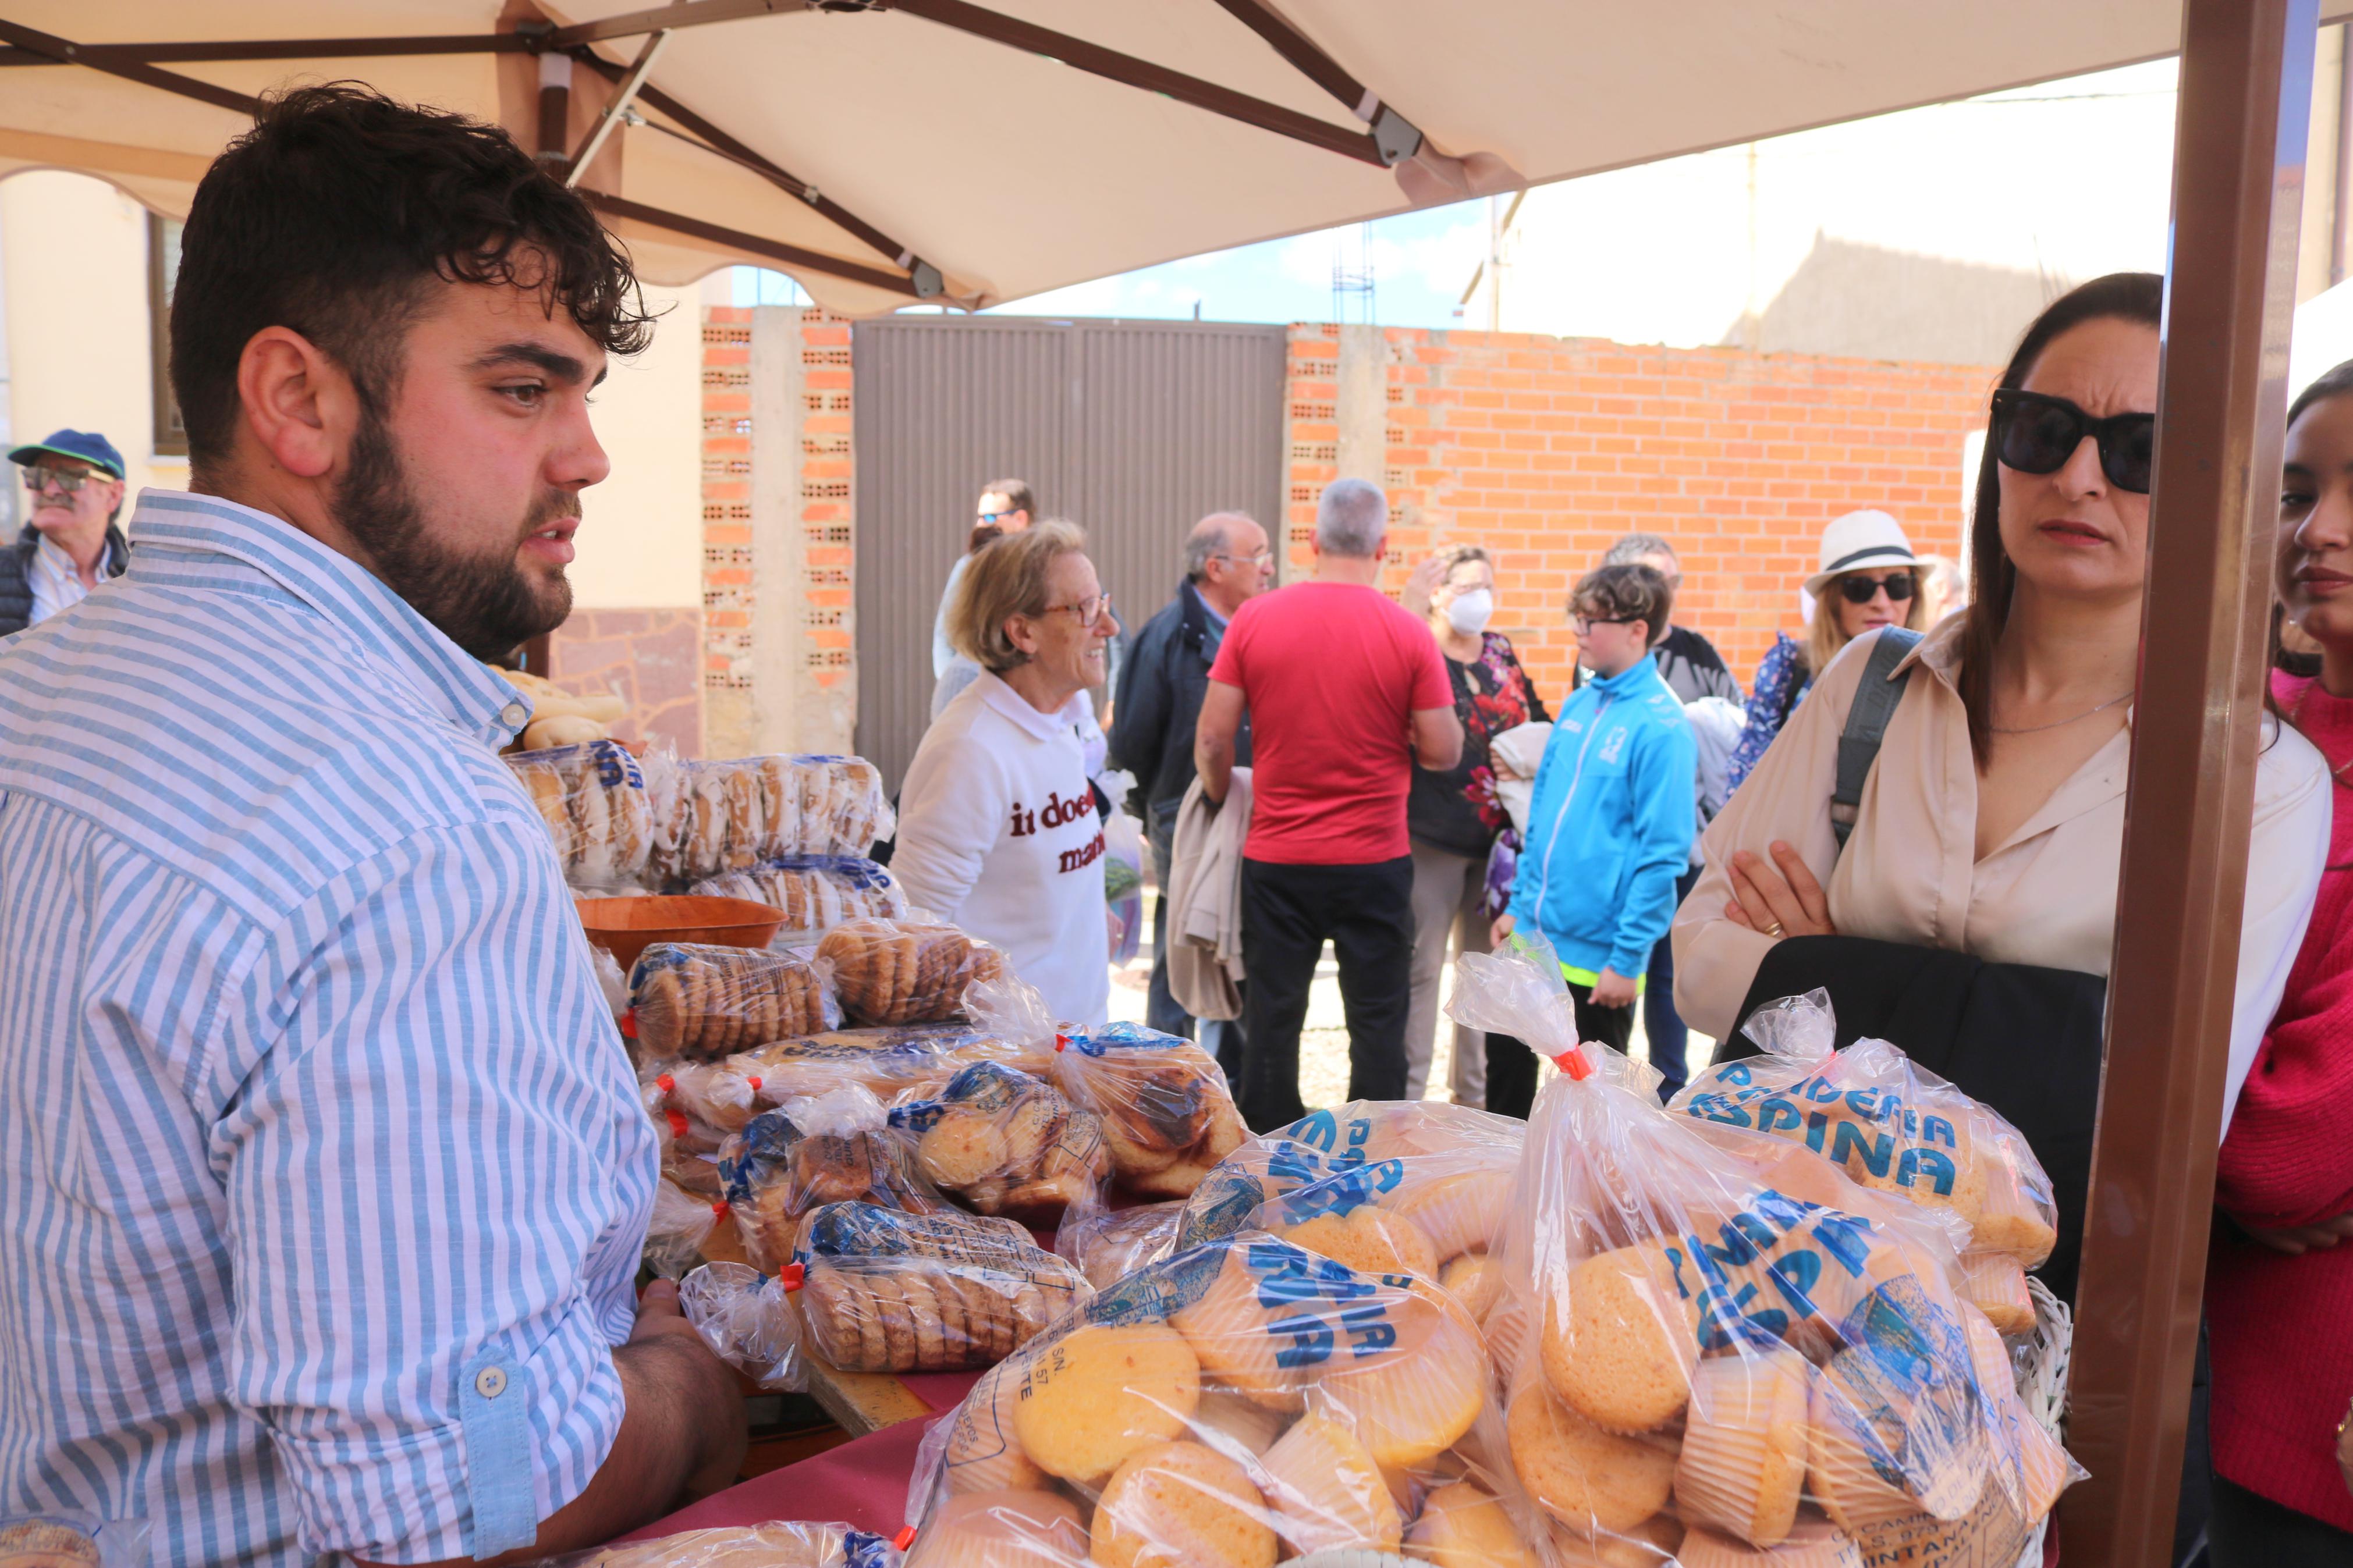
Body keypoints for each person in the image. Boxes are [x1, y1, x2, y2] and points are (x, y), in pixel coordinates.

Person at [0, 87, 746, 1563]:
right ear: (299, 401)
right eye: (524, 390)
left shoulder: (36, 687)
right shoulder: (402, 830)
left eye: (583, 393)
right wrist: (692, 1390)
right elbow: (453, 1510)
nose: (587, 455)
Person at [1671, 272, 2328, 1310]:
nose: (2076, 476)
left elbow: (2154, 1108)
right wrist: (2050, 1018)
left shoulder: (2257, 783)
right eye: (2042, 427)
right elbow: (1703, 968)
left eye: (2139, 450)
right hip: (1764, 1277)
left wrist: (1822, 960)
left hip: (2026, 1324)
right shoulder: (1868, 689)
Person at [2202, 358, 2353, 1566]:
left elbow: (2279, 1153)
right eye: (2296, 489)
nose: (2321, 530)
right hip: (2216, 1374)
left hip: (2311, 1396)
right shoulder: (2227, 731)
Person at [1195, 478, 1461, 1130]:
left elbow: (1210, 737)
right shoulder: (1406, 632)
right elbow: (1445, 750)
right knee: (1377, 1022)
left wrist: (1218, 794)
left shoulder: (1255, 618)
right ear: (1383, 546)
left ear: (1311, 541)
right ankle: (1371, 1152)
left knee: (1273, 1019)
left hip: (1277, 860)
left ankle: (1269, 1155)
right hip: (1373, 860)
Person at [1490, 564, 1696, 1110]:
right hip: (1534, 939)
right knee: (1505, 1088)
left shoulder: (1662, 727)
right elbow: (1542, 818)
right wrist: (1518, 906)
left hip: (1598, 959)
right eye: (1576, 617)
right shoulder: (1581, 704)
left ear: (1638, 628)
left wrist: (1627, 959)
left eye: (1593, 620)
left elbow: (1662, 857)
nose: (1579, 630)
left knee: (1590, 1107)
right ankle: (1500, 1189)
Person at [895, 520, 1116, 1027]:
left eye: (1101, 601)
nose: (1108, 626)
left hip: (1076, 1039)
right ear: (1022, 631)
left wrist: (1083, 913)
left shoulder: (1062, 716)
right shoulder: (970, 750)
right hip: (1004, 1067)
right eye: (1084, 609)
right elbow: (912, 935)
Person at [1108, 510, 1272, 1048]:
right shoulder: (1164, 638)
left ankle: (1233, 1076)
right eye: (1259, 556)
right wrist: (1161, 808)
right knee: (1183, 945)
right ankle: (1167, 1069)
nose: (1269, 569)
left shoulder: (1260, 630)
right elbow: (1131, 741)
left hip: (1251, 806)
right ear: (1215, 567)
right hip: (1185, 808)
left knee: (1235, 943)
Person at [1396, 544, 1549, 1106]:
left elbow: (1539, 720)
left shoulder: (1501, 653)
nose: (1477, 599)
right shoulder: (1415, 649)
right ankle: (1406, 1103)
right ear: (1435, 594)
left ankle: (1475, 1104)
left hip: (1498, 845)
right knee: (1420, 974)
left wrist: (1528, 754)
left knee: (1485, 977)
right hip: (1429, 837)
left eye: (1486, 586)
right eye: (1464, 588)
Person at [1599, 531, 1741, 1096]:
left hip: (1686, 845)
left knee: (1670, 976)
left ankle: (1667, 1089)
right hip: (1624, 847)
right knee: (1617, 971)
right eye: (1647, 580)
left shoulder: (1697, 652)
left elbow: (1740, 735)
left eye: (1670, 582)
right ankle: (1606, 1091)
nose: (1661, 594)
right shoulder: (1605, 657)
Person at [1723, 510, 1926, 794]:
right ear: (1832, 600)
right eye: (1860, 587)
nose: (1882, 602)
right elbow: (1747, 778)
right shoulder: (1789, 668)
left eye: (1898, 585)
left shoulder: (1936, 678)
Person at [2, 429, 129, 635]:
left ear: (113, 495)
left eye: (69, 476)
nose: (51, 490)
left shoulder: (142, 582)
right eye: (39, 475)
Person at [934, 478, 1032, 679]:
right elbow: (945, 636)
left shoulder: (1051, 567)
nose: (980, 525)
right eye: (979, 517)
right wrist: (952, 684)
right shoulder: (970, 566)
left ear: (1020, 518)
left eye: (989, 518)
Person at [1917, 552, 1968, 625]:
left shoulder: (1953, 631)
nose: (1913, 597)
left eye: (1919, 588)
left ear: (1941, 590)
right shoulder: (1968, 623)